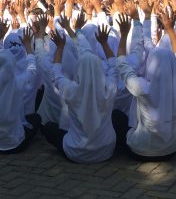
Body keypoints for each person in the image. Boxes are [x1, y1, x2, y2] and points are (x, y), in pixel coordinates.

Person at [116, 8, 176, 161]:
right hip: (170, 149)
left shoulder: (142, 87)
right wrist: (170, 30)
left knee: (116, 116)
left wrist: (124, 35)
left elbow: (122, 64)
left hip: (142, 151)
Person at [43, 26, 119, 163]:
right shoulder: (109, 88)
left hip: (75, 150)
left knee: (48, 127)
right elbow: (114, 67)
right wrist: (104, 43)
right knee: (119, 116)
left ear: (78, 69)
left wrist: (60, 48)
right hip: (106, 149)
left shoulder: (70, 90)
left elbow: (56, 74)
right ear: (99, 68)